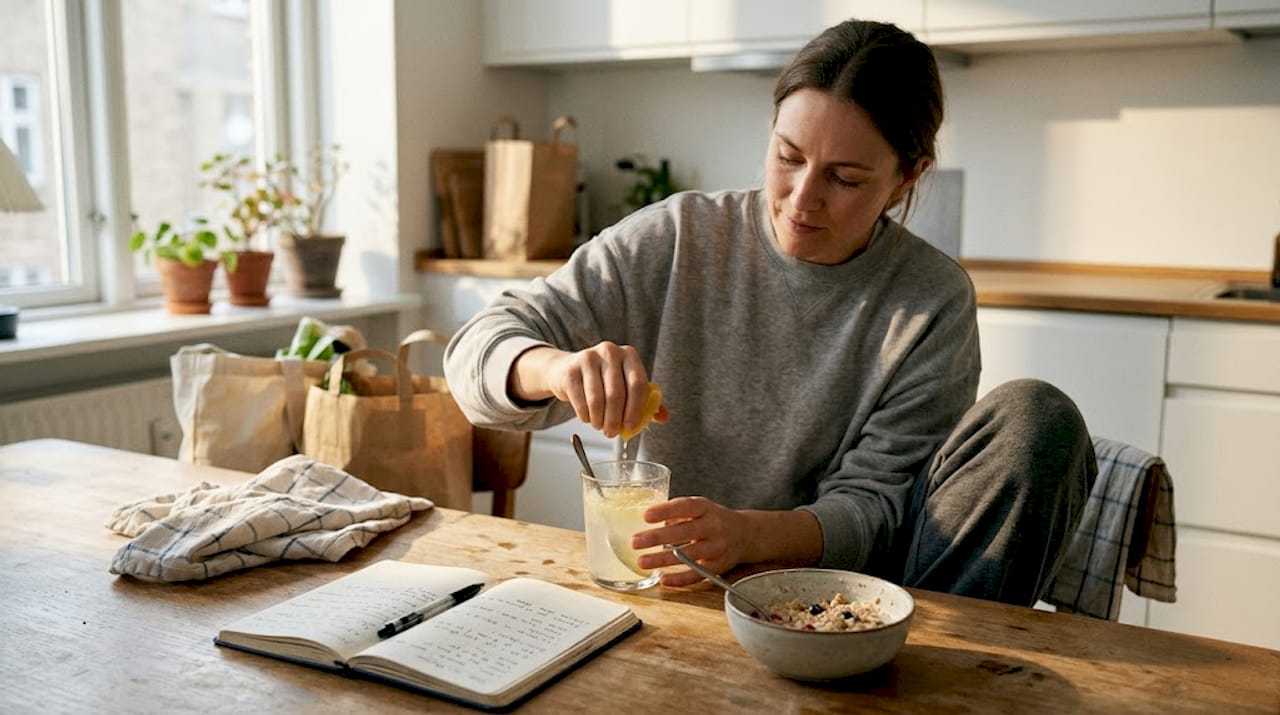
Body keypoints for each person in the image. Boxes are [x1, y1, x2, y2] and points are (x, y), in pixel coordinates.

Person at [444, 18, 1096, 606]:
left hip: (844, 600)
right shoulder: (677, 237)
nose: (801, 199)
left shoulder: (929, 301)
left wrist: (747, 534)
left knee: (1039, 417)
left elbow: (877, 509)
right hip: (680, 590)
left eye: (844, 178)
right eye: (788, 157)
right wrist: (555, 369)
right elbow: (475, 352)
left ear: (908, 177)